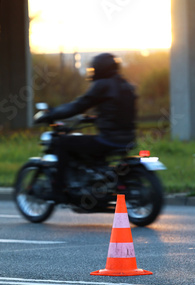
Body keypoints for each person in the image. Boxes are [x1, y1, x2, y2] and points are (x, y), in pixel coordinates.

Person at [34, 53, 137, 202]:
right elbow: (118, 113)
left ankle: (57, 191)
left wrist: (52, 114)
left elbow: (79, 105)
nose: (93, 71)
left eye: (94, 68)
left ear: (101, 68)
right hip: (127, 139)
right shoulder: (126, 85)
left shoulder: (103, 85)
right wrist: (97, 119)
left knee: (63, 143)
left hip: (108, 140)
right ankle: (91, 182)